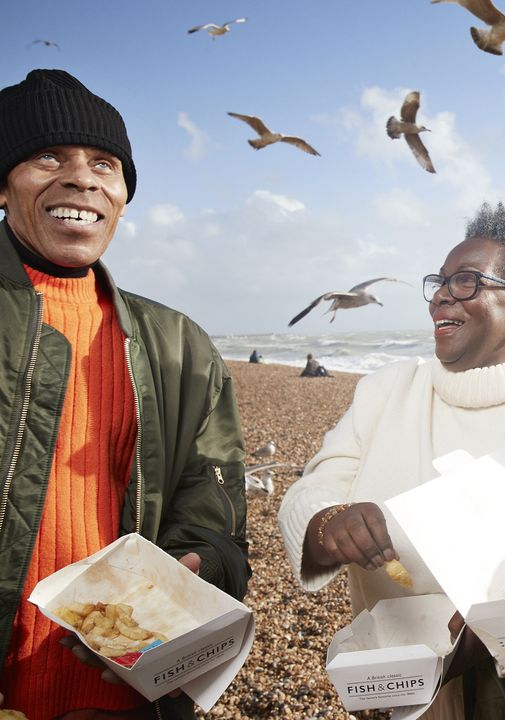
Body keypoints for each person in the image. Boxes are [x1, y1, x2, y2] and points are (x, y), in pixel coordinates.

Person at [278, 203, 505, 719]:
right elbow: (310, 491)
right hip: (389, 685)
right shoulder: (387, 392)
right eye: (439, 281)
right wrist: (328, 523)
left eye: (466, 281)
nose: (441, 294)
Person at [0, 69, 250, 719]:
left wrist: (200, 565)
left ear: (123, 194)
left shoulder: (178, 345)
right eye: (48, 156)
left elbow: (217, 517)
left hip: (131, 696)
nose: (82, 178)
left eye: (104, 163)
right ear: (3, 184)